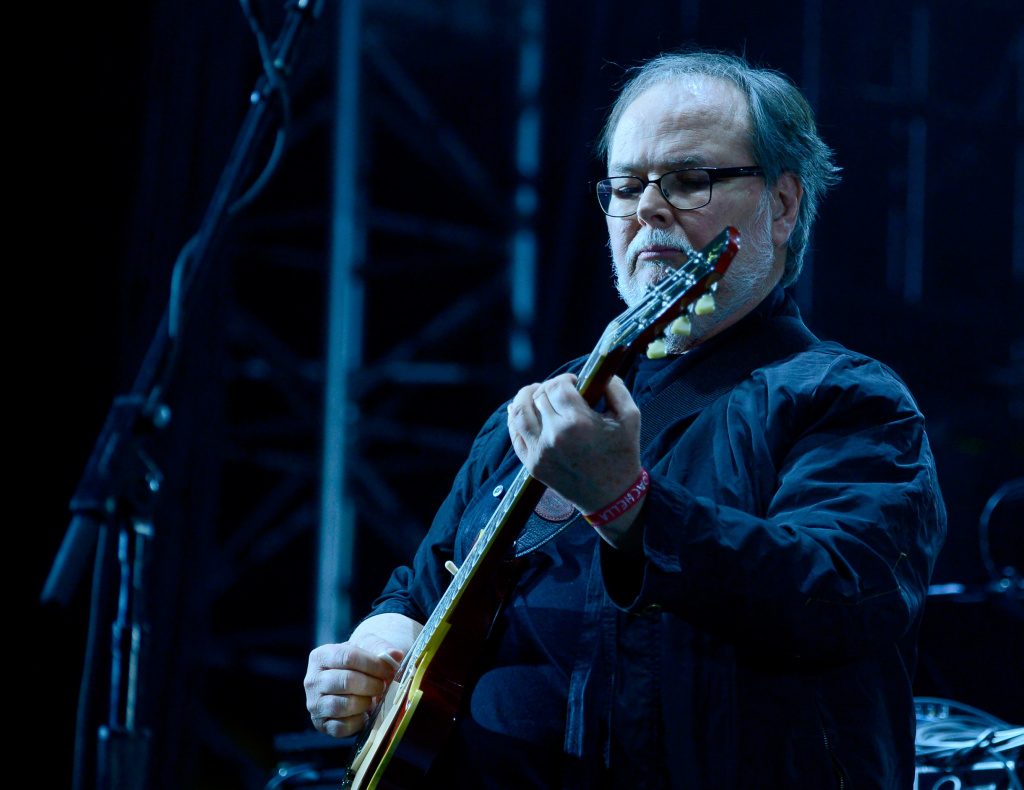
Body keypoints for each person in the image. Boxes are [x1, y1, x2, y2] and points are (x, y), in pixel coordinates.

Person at [304, 49, 946, 789]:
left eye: (686, 180)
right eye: (626, 185)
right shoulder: (545, 411)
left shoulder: (846, 399)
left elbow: (835, 595)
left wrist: (630, 508)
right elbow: (420, 590)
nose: (647, 209)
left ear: (783, 204)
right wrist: (377, 652)